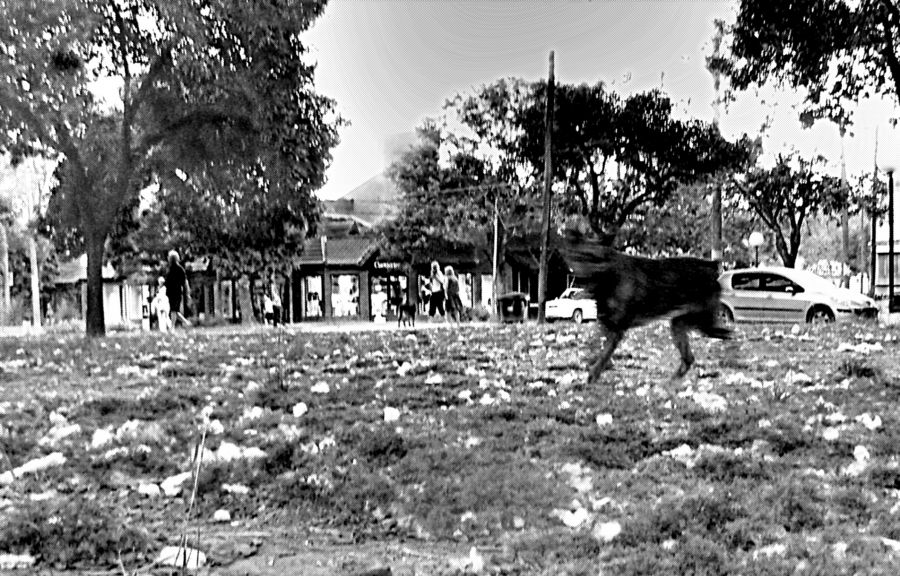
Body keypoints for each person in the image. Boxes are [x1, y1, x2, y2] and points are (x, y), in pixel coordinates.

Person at [165, 250, 191, 328]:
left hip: (176, 292)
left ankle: (172, 327)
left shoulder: (179, 269)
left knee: (173, 310)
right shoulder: (171, 269)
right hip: (171, 293)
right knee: (174, 310)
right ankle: (186, 322)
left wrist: (187, 293)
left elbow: (184, 282)